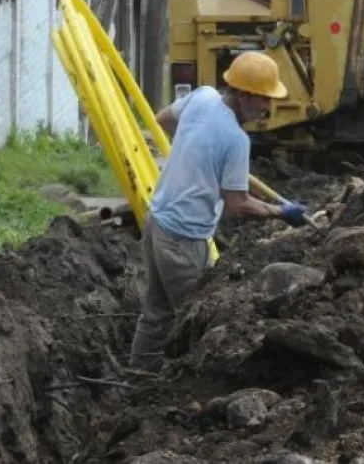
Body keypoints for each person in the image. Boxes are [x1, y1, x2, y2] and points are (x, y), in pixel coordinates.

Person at [129, 51, 308, 369]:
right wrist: (281, 212)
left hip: (157, 224)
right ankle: (180, 389)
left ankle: (136, 379)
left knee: (156, 313)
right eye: (263, 100)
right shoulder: (236, 139)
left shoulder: (202, 97)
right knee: (194, 320)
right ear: (242, 95)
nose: (267, 108)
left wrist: (194, 146)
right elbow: (237, 204)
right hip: (183, 240)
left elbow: (162, 119)